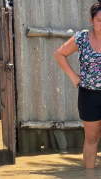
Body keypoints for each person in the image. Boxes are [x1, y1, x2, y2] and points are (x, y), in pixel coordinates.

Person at [54, 0, 101, 169]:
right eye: (99, 21)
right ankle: (89, 175)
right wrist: (74, 77)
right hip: (88, 97)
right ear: (91, 20)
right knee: (91, 139)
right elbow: (59, 54)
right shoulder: (82, 38)